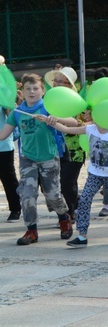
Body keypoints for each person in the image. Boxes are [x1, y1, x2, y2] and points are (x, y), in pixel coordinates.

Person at [0, 74, 79, 245]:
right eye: (28, 88)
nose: (32, 91)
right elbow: (2, 135)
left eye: (35, 88)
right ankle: (31, 231)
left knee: (53, 196)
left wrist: (56, 119)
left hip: (49, 158)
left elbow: (73, 122)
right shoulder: (17, 112)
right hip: (27, 159)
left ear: (42, 91)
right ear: (22, 91)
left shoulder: (48, 107)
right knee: (27, 195)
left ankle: (64, 218)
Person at [49, 119, 108, 248]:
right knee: (84, 199)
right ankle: (82, 235)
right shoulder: (90, 129)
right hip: (94, 174)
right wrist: (50, 121)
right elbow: (66, 129)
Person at [43, 66, 87, 223]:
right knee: (54, 183)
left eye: (62, 81)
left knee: (67, 181)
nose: (57, 84)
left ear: (69, 85)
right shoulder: (48, 98)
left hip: (75, 149)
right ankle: (78, 202)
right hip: (54, 148)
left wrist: (58, 119)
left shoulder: (75, 100)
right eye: (56, 80)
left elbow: (76, 121)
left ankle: (71, 213)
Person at [0, 55, 21, 222]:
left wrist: (9, 103)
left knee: (8, 177)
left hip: (3, 143)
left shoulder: (3, 91)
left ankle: (16, 208)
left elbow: (10, 115)